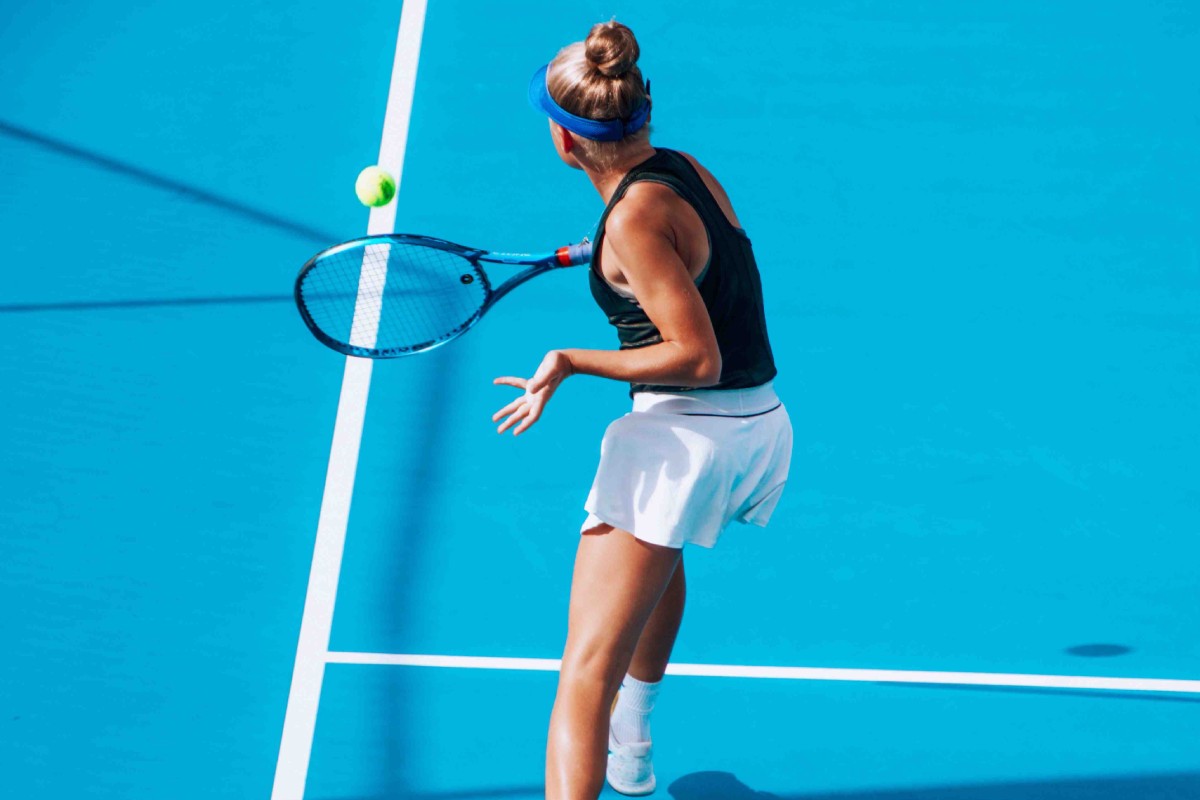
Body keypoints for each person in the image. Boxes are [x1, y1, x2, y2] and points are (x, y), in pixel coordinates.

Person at [491, 19, 792, 800]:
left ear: (565, 140)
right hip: (758, 427)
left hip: (684, 438)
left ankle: (614, 735)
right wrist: (611, 252)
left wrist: (570, 359)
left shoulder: (629, 222)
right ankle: (633, 744)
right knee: (661, 548)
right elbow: (687, 255)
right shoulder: (683, 169)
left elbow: (697, 356)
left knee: (583, 674)